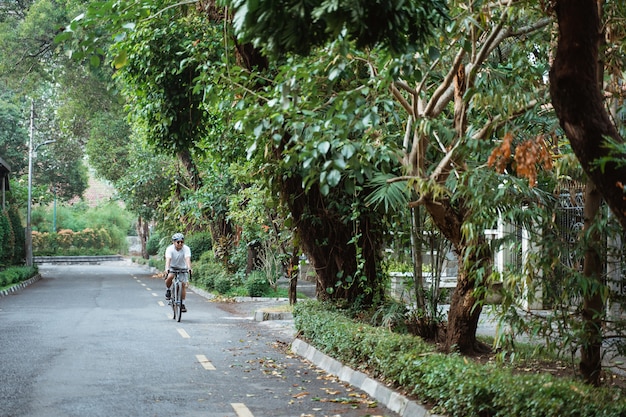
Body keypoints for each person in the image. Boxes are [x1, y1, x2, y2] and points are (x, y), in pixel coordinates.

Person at [164, 232, 192, 312]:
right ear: (173, 242)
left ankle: (182, 303)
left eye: (182, 242)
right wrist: (167, 268)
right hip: (172, 267)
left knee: (182, 285)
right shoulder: (170, 249)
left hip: (182, 268)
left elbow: (187, 259)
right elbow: (168, 260)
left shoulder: (186, 249)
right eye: (178, 242)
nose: (180, 244)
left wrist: (189, 268)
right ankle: (168, 289)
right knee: (170, 277)